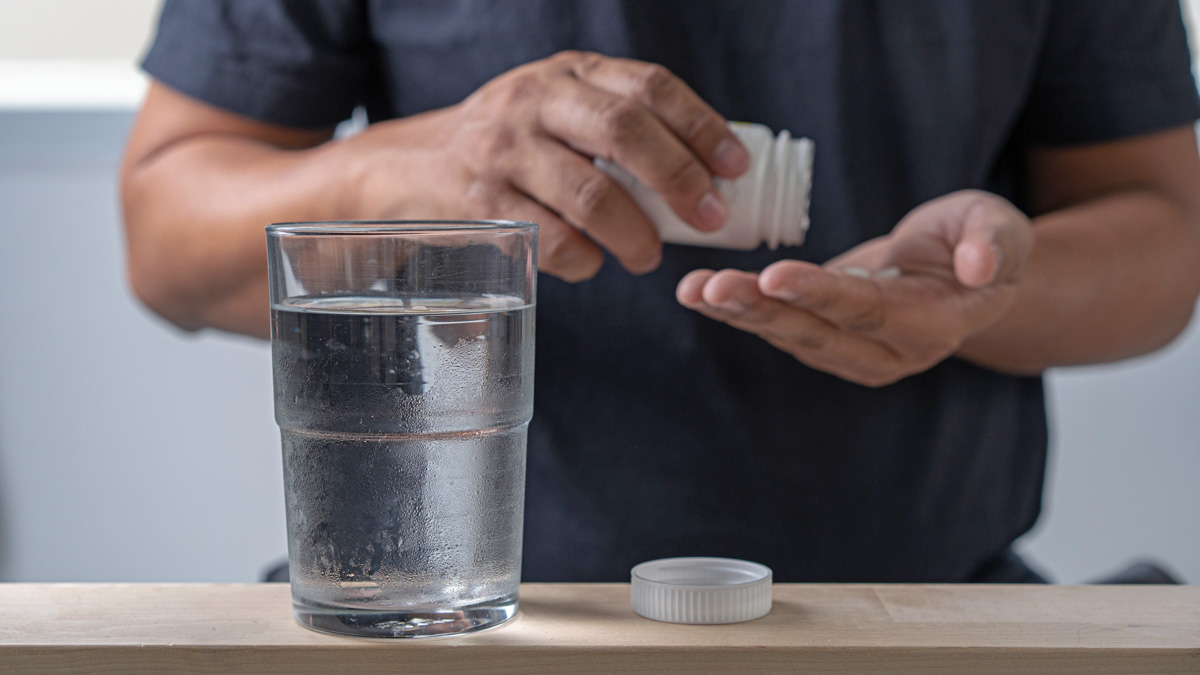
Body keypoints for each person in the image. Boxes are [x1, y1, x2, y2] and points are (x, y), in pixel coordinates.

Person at [121, 0, 1200, 583]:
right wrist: (415, 169)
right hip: (457, 615)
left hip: (920, 615)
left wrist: (991, 290)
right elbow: (168, 242)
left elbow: (1164, 239)